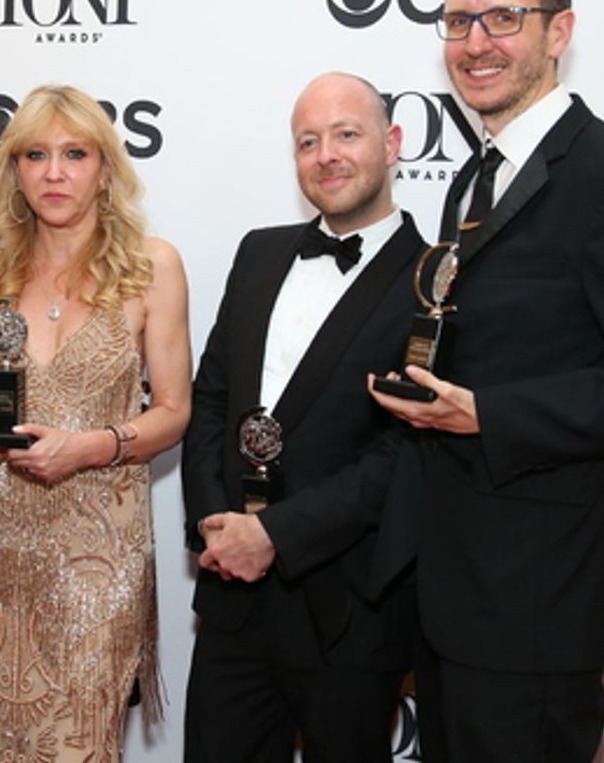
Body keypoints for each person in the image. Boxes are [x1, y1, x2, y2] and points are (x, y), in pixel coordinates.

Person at [368, 0, 604, 763]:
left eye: (503, 17)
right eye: (458, 20)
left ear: (558, 31)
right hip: (454, 591)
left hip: (541, 600)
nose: (476, 41)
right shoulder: (472, 174)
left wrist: (489, 413)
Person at [181, 72, 427, 763]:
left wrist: (278, 535)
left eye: (347, 134)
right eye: (308, 141)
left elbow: (406, 450)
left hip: (348, 608)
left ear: (393, 142)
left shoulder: (436, 277)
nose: (327, 155)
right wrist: (213, 521)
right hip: (233, 596)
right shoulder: (259, 251)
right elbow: (210, 400)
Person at [0, 84, 191, 762]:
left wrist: (91, 446)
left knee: (78, 746)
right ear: (14, 170)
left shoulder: (153, 266)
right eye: (35, 154)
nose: (54, 172)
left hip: (98, 556)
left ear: (105, 167)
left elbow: (174, 411)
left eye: (75, 153)